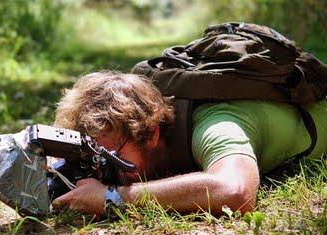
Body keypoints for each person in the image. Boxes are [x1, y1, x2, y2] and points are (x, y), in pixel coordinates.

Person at [51, 70, 327, 217]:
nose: (105, 172)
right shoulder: (154, 137)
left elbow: (236, 192)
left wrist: (111, 198)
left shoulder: (216, 124)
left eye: (110, 158)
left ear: (152, 134)